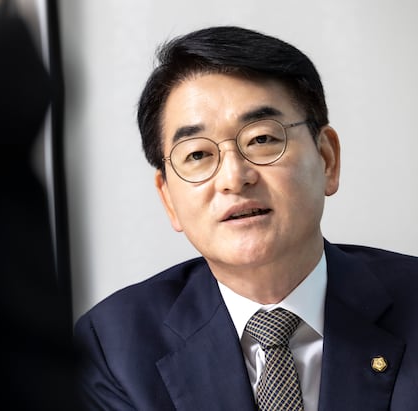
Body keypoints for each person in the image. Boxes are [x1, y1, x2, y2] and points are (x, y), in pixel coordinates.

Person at [73, 26, 418, 410]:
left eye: (261, 139)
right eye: (198, 155)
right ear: (168, 198)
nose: (234, 178)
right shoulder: (113, 347)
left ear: (327, 160)